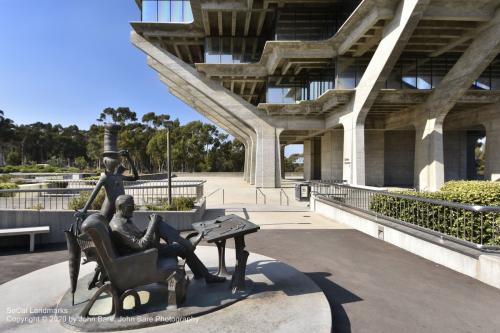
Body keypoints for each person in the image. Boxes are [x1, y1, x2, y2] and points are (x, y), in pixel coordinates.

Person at [109, 195, 225, 284]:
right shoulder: (119, 226)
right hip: (144, 256)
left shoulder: (123, 220)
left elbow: (138, 236)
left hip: (146, 251)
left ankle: (187, 246)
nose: (133, 210)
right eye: (130, 207)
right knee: (182, 248)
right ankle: (203, 271)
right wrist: (152, 225)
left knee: (158, 223)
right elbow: (140, 245)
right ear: (120, 208)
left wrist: (151, 226)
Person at [76, 149, 139, 222]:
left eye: (114, 157)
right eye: (111, 157)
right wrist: (84, 209)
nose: (113, 160)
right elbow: (94, 193)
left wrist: (129, 158)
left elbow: (135, 177)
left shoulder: (119, 176)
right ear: (105, 161)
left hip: (120, 208)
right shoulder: (105, 177)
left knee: (123, 227)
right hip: (108, 208)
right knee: (105, 227)